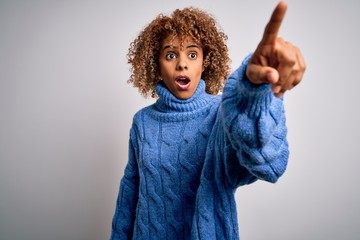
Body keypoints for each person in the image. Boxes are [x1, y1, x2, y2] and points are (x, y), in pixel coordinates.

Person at [110, 1, 305, 239]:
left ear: (205, 62)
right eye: (170, 55)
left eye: (192, 54)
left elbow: (268, 166)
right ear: (156, 65)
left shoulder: (222, 113)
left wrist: (254, 92)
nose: (182, 63)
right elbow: (130, 190)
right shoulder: (142, 122)